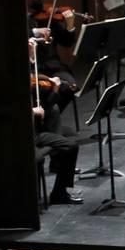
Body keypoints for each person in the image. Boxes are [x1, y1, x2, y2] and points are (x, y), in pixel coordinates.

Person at [29, 40, 82, 207]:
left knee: (71, 144)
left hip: (38, 130)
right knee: (42, 155)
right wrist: (32, 111)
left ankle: (59, 192)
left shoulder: (34, 76)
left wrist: (55, 88)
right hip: (25, 133)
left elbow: (49, 104)